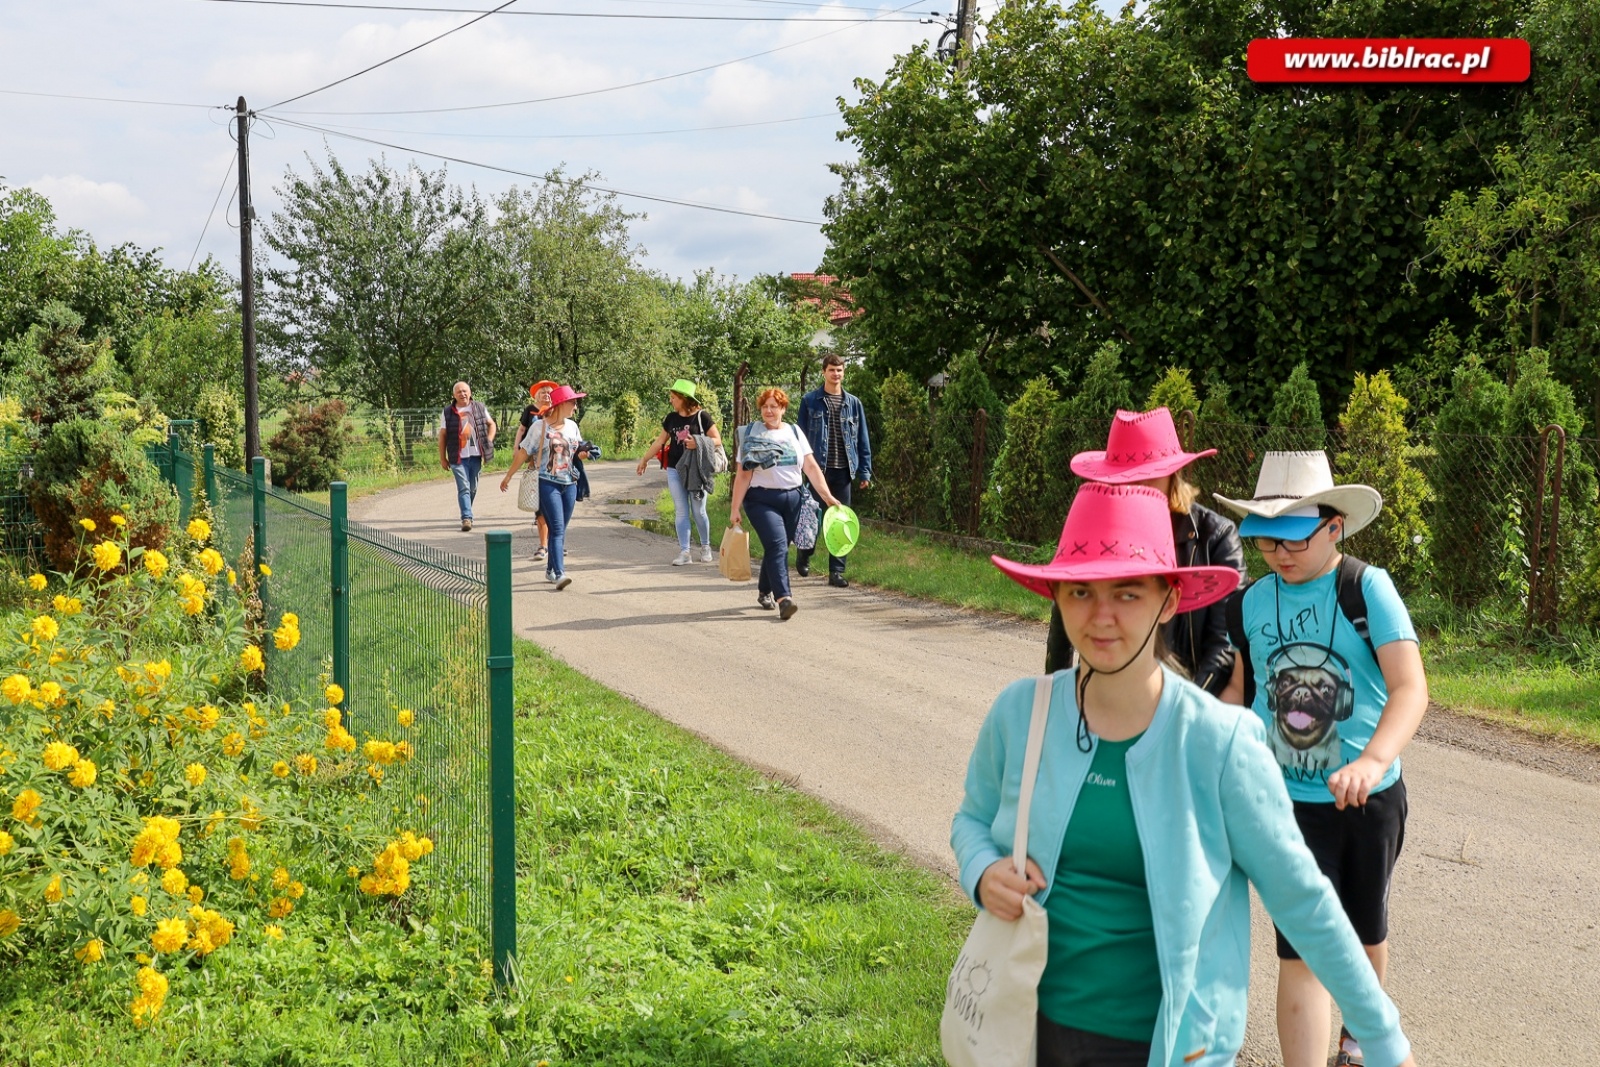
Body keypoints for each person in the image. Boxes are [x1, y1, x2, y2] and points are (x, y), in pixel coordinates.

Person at [953, 481, 1419, 1067]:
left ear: (1169, 600)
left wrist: (1383, 1041)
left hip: (1172, 1047)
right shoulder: (1023, 712)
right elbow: (972, 818)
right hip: (1023, 1030)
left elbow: (1305, 903)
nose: (1100, 618)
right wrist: (981, 870)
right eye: (1079, 591)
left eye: (1126, 593)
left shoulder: (1219, 742)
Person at [1215, 452, 1428, 1067]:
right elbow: (1239, 693)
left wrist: (1372, 760)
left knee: (1362, 935)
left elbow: (1410, 688)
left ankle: (1360, 1043)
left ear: (1334, 526)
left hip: (1366, 802)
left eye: (1294, 538)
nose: (1280, 555)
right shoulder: (1249, 603)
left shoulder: (1366, 588)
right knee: (1299, 950)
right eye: (1265, 540)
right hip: (1285, 807)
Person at [1045, 408, 1246, 694]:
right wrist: (1061, 695)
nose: (1132, 488)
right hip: (1105, 695)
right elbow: (1063, 618)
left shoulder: (1215, 536)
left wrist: (1182, 710)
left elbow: (1225, 644)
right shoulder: (1096, 528)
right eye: (1122, 478)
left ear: (1172, 475)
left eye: (1145, 478)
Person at [728, 388, 842, 621]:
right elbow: (743, 476)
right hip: (760, 500)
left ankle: (764, 591)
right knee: (778, 544)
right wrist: (734, 508)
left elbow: (810, 467)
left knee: (777, 548)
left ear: (783, 408)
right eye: (765, 407)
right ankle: (784, 599)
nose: (769, 411)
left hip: (793, 499)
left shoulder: (795, 432)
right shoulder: (752, 434)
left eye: (774, 406)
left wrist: (828, 497)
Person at [499, 384, 592, 590]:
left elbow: (577, 452)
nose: (575, 407)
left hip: (570, 484)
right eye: (573, 402)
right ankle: (560, 574)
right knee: (557, 528)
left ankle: (550, 570)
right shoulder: (538, 427)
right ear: (561, 404)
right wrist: (508, 476)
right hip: (547, 483)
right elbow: (523, 453)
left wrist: (587, 452)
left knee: (561, 530)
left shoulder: (572, 426)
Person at [795, 353, 872, 586]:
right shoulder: (810, 401)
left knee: (841, 521)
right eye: (831, 370)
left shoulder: (854, 404)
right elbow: (800, 437)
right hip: (818, 470)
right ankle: (804, 553)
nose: (835, 374)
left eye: (839, 370)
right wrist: (799, 468)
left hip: (843, 472)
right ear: (824, 372)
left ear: (843, 372)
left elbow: (862, 439)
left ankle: (836, 572)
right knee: (814, 518)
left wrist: (865, 471)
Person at [635, 379, 724, 565]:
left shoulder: (702, 417)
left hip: (697, 470)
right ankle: (685, 552)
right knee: (681, 511)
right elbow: (660, 442)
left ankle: (706, 546)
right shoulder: (671, 418)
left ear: (684, 398)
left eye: (673, 397)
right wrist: (644, 459)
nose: (671, 401)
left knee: (699, 511)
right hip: (675, 469)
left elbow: (717, 440)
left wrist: (698, 442)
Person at [438, 381, 497, 532]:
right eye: (459, 392)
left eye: (465, 391)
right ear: (454, 395)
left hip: (476, 455)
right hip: (457, 456)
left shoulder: (479, 407)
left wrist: (488, 441)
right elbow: (443, 435)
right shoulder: (447, 412)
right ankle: (467, 517)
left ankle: (466, 510)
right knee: (464, 487)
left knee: (473, 488)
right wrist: (442, 458)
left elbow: (491, 424)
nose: (462, 394)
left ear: (470, 392)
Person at [515, 379, 559, 564]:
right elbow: (522, 429)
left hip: (557, 464)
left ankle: (555, 543)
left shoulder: (559, 411)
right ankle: (544, 545)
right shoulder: (530, 411)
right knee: (540, 505)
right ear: (536, 395)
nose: (546, 395)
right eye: (542, 392)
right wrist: (517, 448)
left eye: (549, 392)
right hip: (534, 460)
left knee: (556, 508)